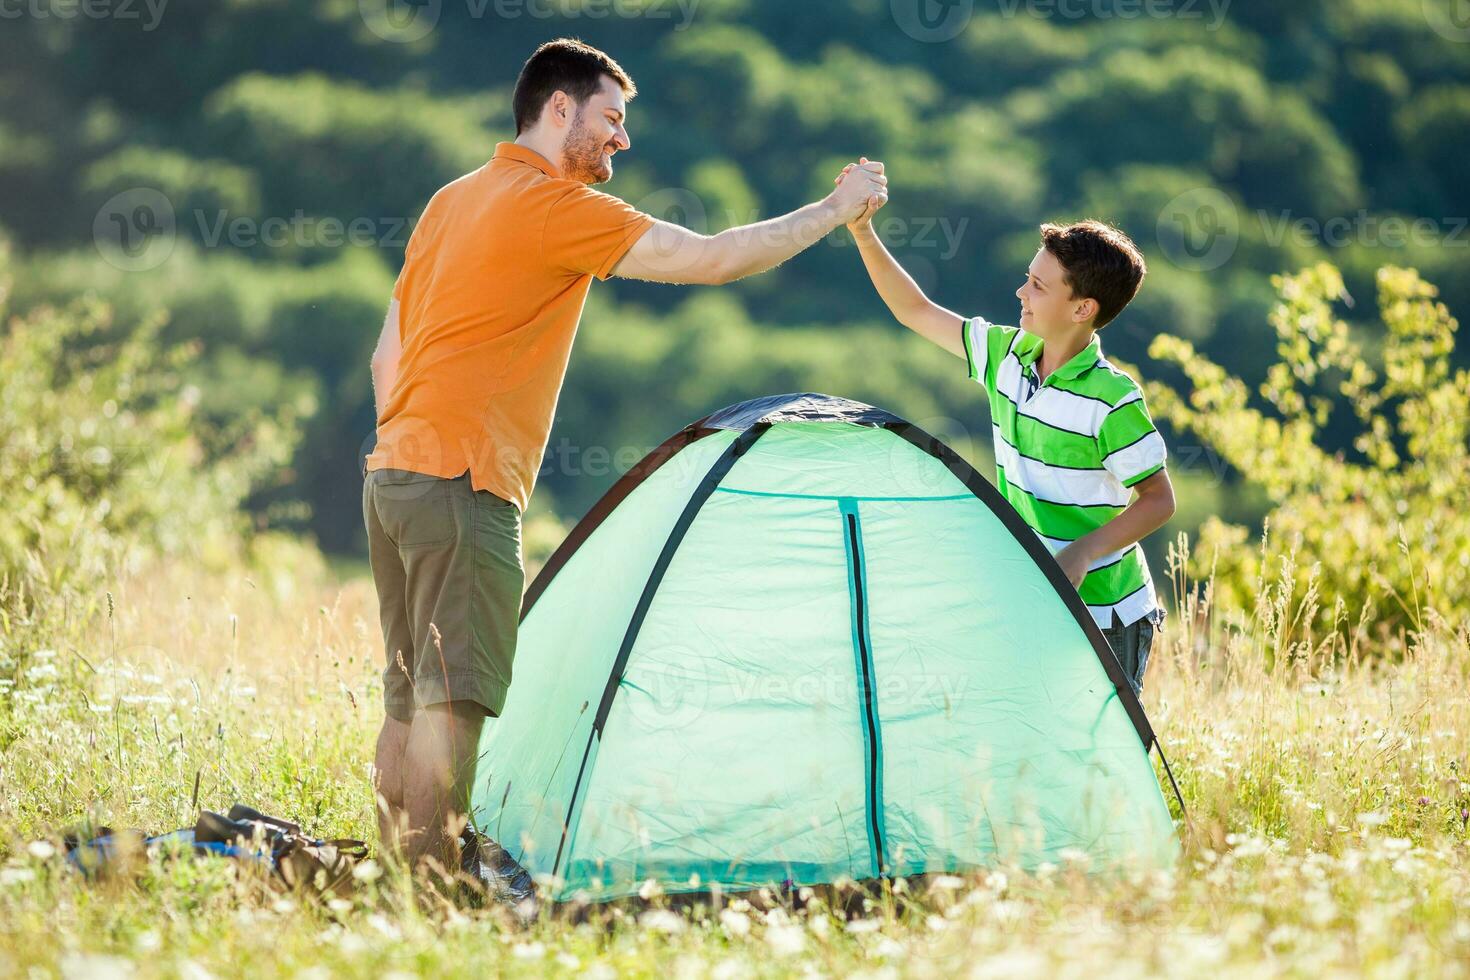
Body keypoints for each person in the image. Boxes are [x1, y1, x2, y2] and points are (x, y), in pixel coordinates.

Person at [363, 38, 888, 885]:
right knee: (452, 702)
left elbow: (388, 357)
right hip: (463, 483)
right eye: (611, 117)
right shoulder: (551, 206)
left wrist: (419, 439)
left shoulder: (451, 200)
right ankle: (429, 897)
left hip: (393, 473)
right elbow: (710, 258)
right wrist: (833, 210)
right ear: (558, 109)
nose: (622, 139)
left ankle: (387, 886)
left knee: (407, 702)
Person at [837, 160, 1174, 694]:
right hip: (1031, 592)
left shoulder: (1112, 399)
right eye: (1027, 278)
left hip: (1108, 614)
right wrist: (862, 231)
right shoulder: (1006, 356)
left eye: (1038, 286)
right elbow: (915, 311)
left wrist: (1083, 551)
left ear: (1083, 308)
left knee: (1097, 765)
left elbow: (1159, 500)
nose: (1021, 293)